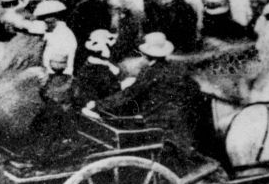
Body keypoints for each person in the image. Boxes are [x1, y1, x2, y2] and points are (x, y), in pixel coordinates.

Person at [91, 33, 214, 176]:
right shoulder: (178, 69)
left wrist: (98, 105)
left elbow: (129, 95)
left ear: (145, 54)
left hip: (157, 127)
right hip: (180, 126)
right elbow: (194, 90)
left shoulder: (150, 73)